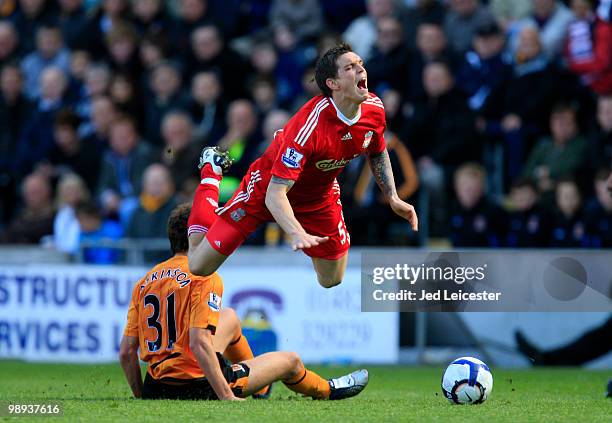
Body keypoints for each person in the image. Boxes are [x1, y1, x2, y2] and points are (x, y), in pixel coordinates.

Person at [187, 44, 418, 288]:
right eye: (350, 67)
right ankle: (211, 172)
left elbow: (378, 150)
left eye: (360, 63)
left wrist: (392, 196)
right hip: (265, 190)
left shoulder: (375, 108)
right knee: (198, 265)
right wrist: (296, 232)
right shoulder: (310, 125)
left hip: (317, 197)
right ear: (333, 83)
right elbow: (275, 195)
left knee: (332, 279)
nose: (361, 69)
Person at [119, 203, 369, 400]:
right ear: (203, 235)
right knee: (290, 361)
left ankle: (260, 389)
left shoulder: (145, 281)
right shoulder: (204, 275)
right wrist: (226, 396)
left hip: (157, 383)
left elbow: (127, 351)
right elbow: (198, 343)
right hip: (198, 383)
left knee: (229, 317)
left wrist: (143, 395)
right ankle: (327, 389)